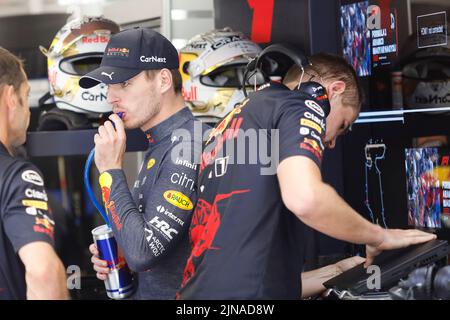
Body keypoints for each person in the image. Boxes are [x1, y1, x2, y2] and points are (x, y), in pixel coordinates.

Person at [176, 50, 436, 299]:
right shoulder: (302, 104)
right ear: (332, 91)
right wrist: (380, 236)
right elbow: (305, 198)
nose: (333, 142)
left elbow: (255, 277)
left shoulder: (234, 121)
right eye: (343, 125)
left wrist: (336, 272)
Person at [79, 28, 208, 299]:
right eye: (109, 85)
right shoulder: (162, 141)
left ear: (162, 80)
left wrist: (111, 171)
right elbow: (145, 250)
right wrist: (122, 248)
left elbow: (144, 252)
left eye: (124, 83)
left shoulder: (188, 145)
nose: (111, 97)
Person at [0, 47, 68, 300]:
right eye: (26, 97)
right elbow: (43, 273)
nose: (29, 111)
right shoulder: (16, 175)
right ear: (10, 97)